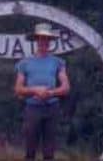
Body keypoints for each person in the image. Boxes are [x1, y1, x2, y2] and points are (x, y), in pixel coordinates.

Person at [14, 22, 70, 161]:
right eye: (41, 38)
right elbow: (18, 89)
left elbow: (66, 87)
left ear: (50, 41)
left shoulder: (58, 62)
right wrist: (35, 90)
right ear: (36, 40)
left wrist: (50, 93)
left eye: (46, 39)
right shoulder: (24, 63)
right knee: (30, 149)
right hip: (32, 108)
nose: (43, 41)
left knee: (49, 151)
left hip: (52, 108)